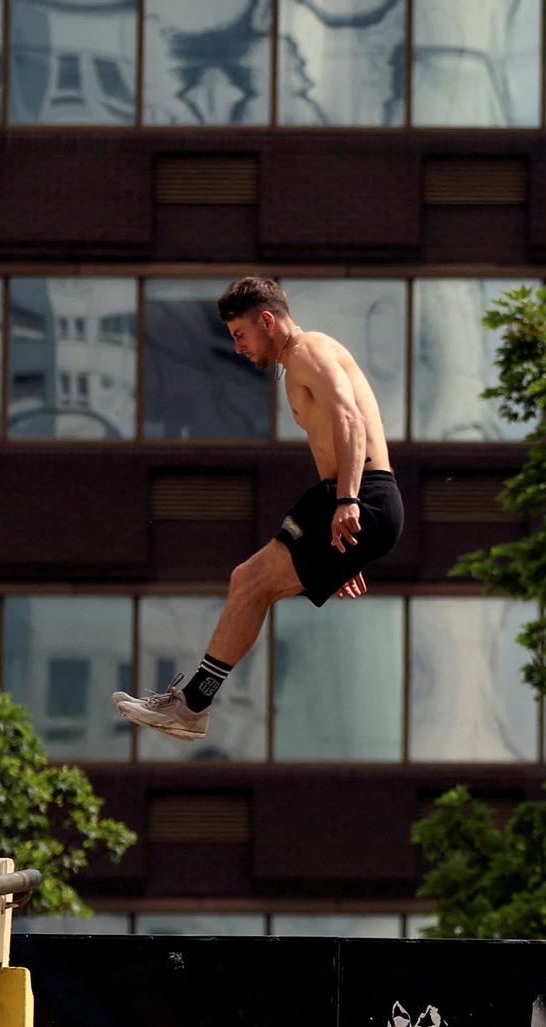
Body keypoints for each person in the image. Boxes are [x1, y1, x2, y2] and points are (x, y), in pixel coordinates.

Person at [114, 276, 404, 741]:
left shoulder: (310, 351)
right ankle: (192, 704)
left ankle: (191, 706)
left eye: (240, 335)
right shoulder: (300, 363)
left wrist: (348, 501)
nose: (238, 348)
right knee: (247, 582)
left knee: (249, 582)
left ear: (267, 320)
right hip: (347, 497)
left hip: (362, 494)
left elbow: (349, 418)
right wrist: (344, 545)